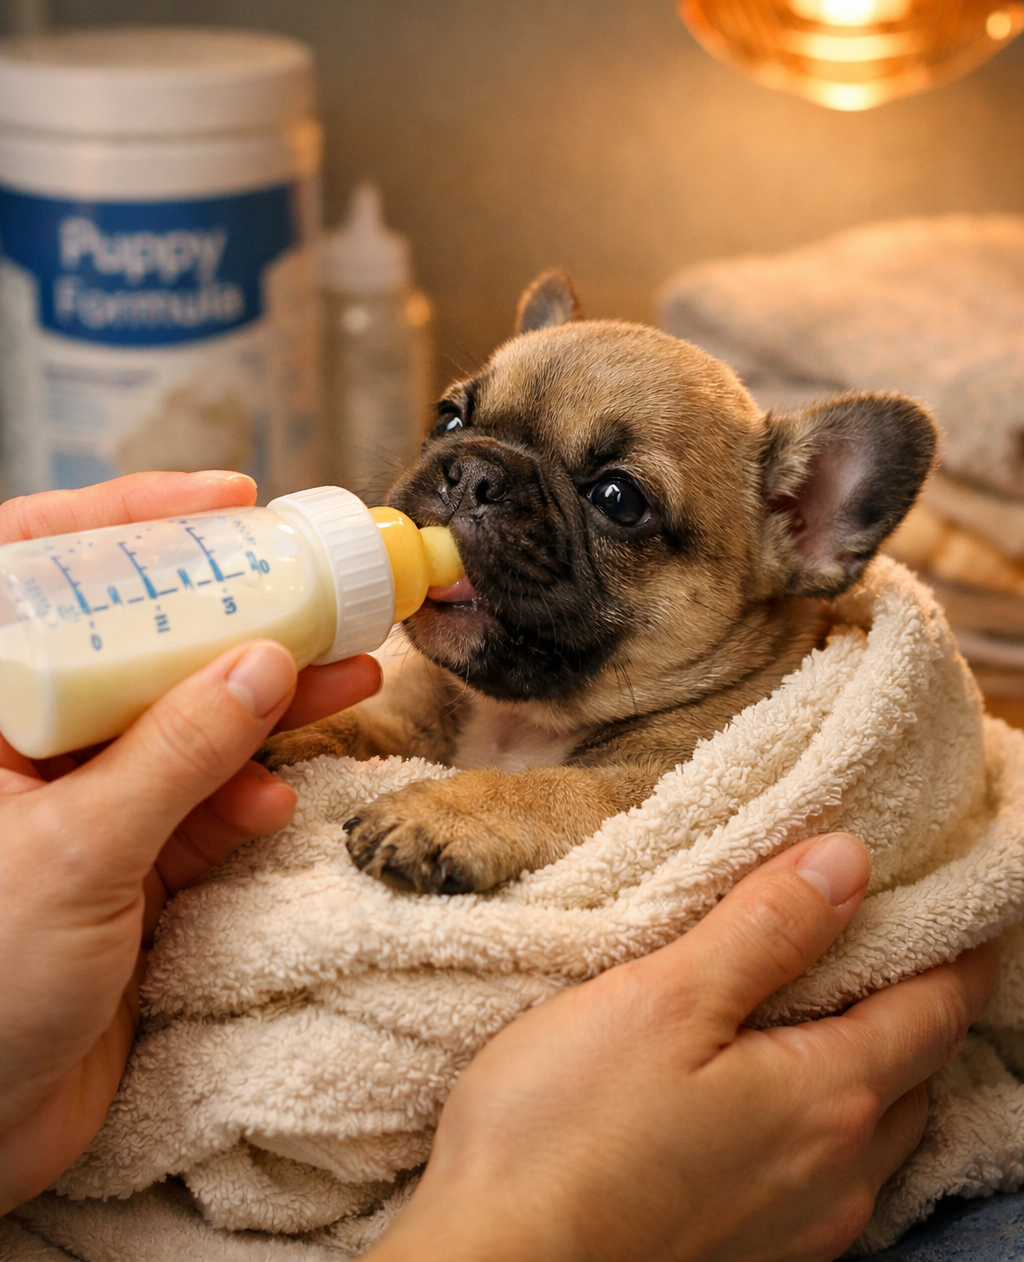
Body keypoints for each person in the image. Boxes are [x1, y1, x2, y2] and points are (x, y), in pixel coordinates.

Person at [0, 472, 999, 1261]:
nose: (475, 484)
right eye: (459, 421)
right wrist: (555, 1225)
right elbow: (376, 741)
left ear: (800, 522)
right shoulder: (430, 682)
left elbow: (665, 808)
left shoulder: (743, 707)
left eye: (615, 499)